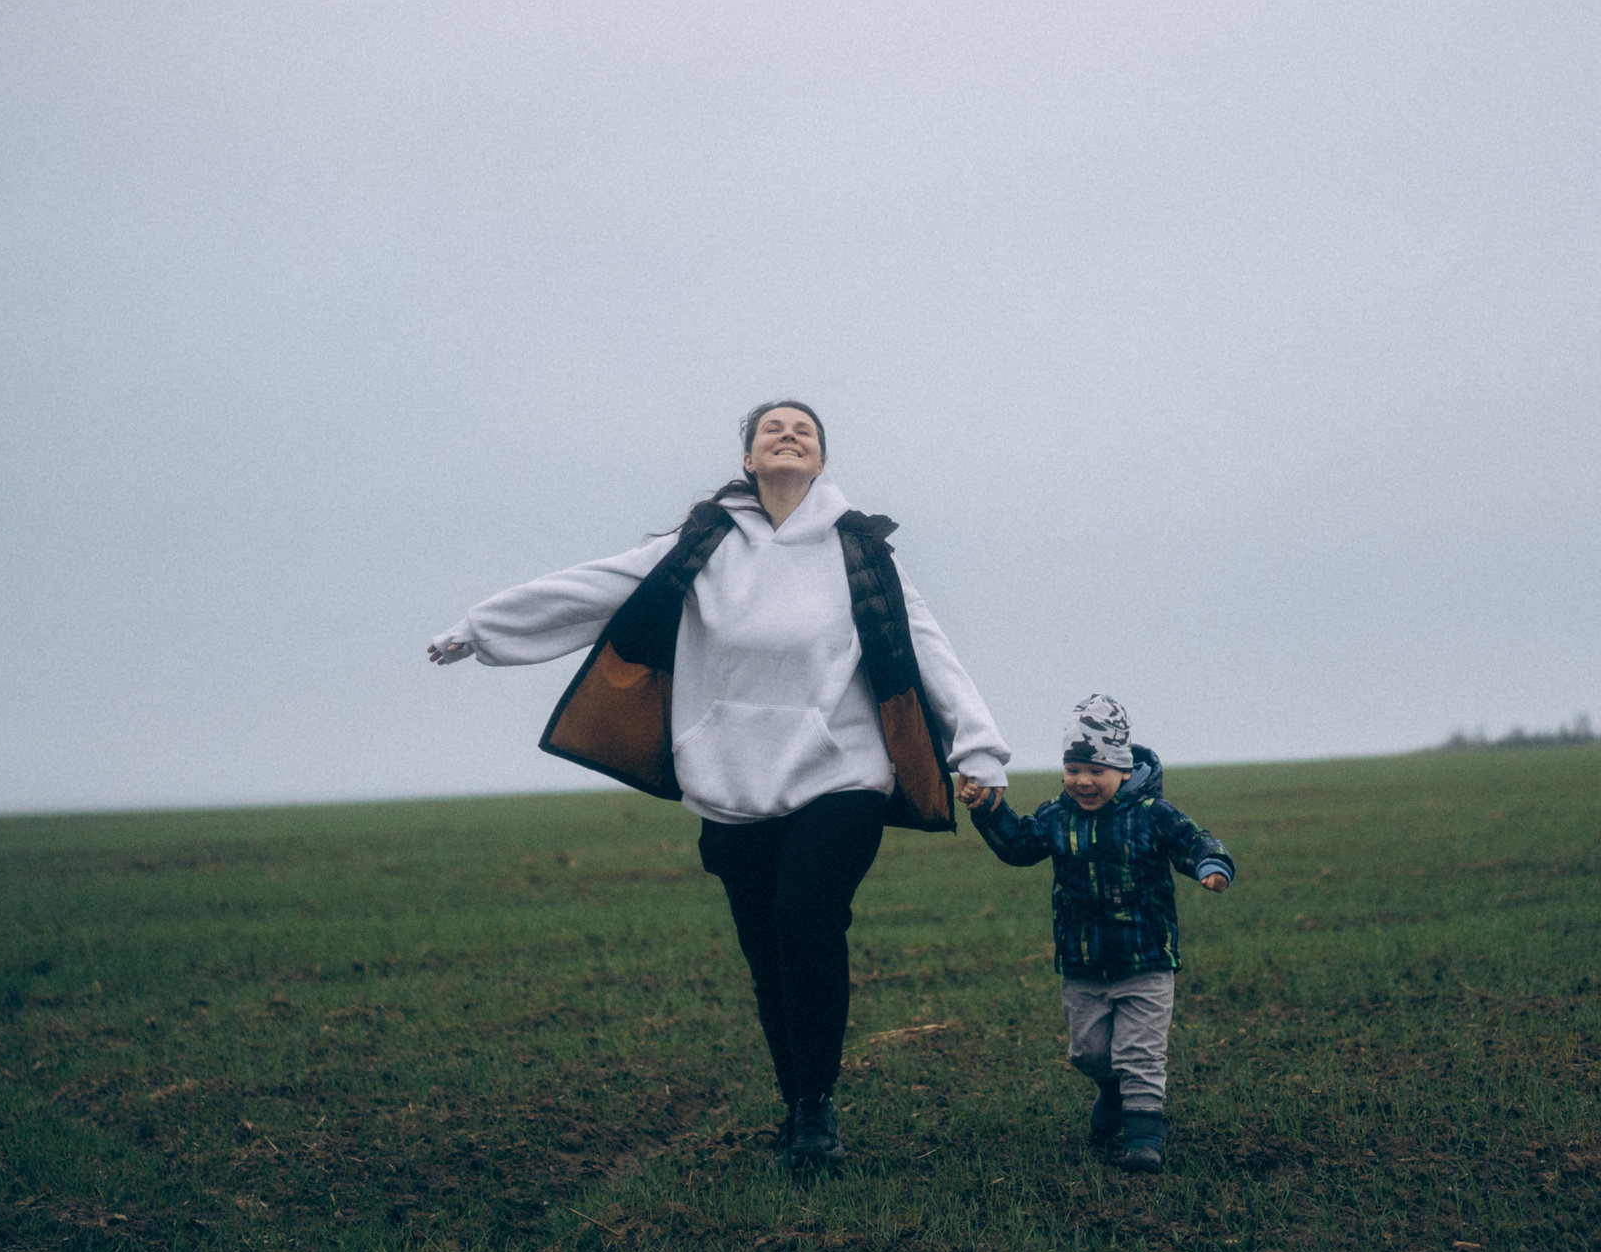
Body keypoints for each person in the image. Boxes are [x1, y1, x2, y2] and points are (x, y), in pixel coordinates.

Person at [429, 400, 1010, 1168]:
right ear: (748, 458)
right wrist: (482, 628)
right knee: (768, 951)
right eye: (773, 428)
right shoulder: (703, 545)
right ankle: (797, 1097)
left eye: (805, 428)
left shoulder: (860, 551)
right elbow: (595, 587)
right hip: (732, 782)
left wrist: (980, 748)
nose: (789, 434)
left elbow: (927, 647)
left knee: (806, 917)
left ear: (822, 460)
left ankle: (815, 1112)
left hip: (842, 773)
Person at [958, 695, 1234, 1172]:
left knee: (1140, 1053)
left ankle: (1144, 1136)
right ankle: (1112, 1089)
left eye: (1097, 770)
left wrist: (1211, 864)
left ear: (1123, 771)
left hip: (1146, 959)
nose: (1083, 781)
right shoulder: (1056, 816)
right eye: (1073, 768)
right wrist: (987, 809)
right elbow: (1019, 847)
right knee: (1089, 1053)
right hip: (1082, 962)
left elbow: (1192, 840)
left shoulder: (1152, 813)